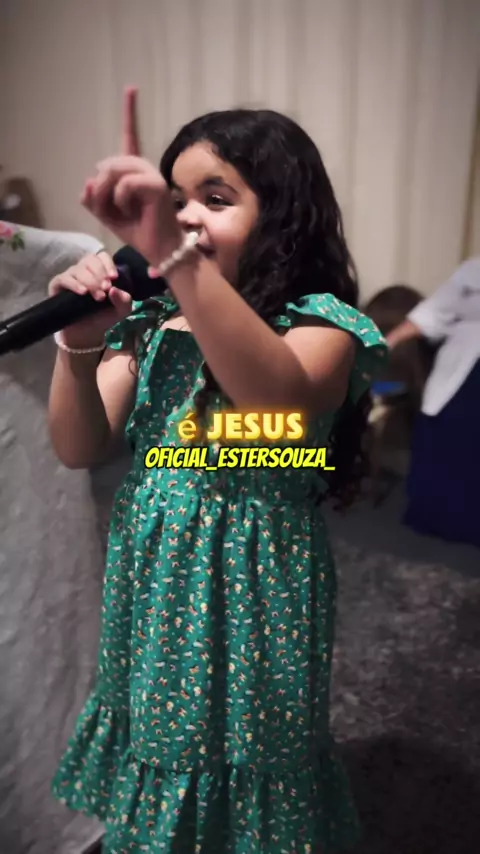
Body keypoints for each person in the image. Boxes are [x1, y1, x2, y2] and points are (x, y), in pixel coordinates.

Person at [48, 87, 386, 853]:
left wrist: (174, 255)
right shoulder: (151, 327)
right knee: (161, 735)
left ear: (283, 216)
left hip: (256, 585)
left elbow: (275, 398)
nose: (186, 217)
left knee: (255, 746)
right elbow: (78, 446)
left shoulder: (319, 326)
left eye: (216, 198)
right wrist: (81, 343)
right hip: (155, 581)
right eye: (174, 202)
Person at [387, 257, 480, 546]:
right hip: (465, 367)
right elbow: (437, 310)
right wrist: (388, 341)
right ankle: (437, 518)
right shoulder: (474, 270)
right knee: (449, 435)